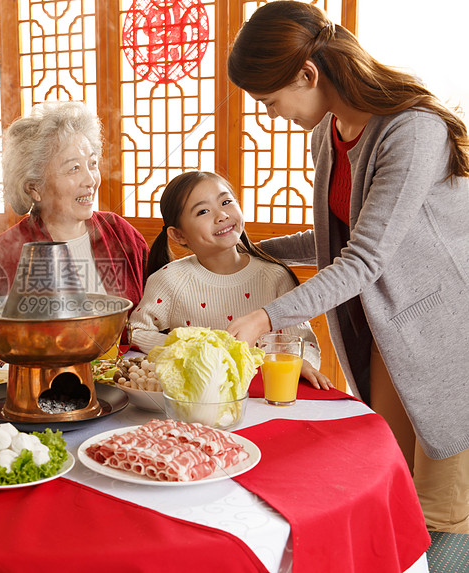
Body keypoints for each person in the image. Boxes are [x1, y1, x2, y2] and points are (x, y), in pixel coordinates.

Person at [226, 0, 469, 533]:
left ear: (307, 74)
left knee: (441, 513)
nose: (272, 115)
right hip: (392, 328)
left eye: (270, 101)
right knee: (390, 484)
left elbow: (364, 257)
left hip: (444, 331)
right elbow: (337, 236)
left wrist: (267, 318)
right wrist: (256, 250)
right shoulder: (329, 135)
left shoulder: (412, 131)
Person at [129, 171, 331, 390]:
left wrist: (302, 362)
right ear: (179, 235)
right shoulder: (169, 279)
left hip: (267, 393)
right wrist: (186, 348)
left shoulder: (274, 276)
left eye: (226, 201)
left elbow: (303, 341)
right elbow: (136, 331)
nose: (222, 215)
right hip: (199, 397)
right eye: (203, 211)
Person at [0, 101, 148, 322]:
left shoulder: (121, 233)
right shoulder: (5, 253)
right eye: (74, 168)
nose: (90, 180)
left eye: (92, 163)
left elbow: (155, 317)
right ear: (35, 187)